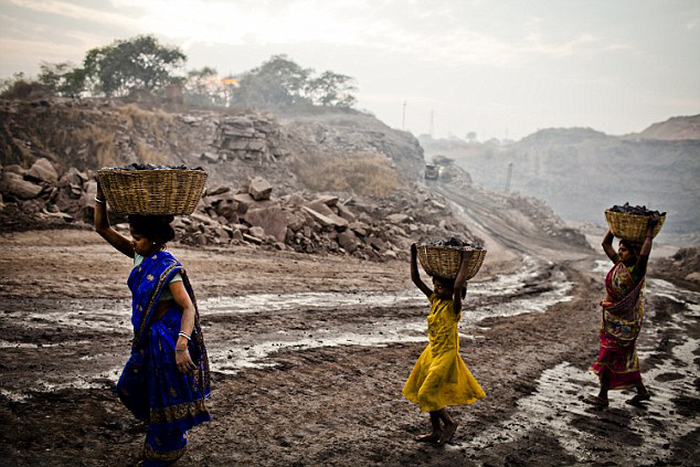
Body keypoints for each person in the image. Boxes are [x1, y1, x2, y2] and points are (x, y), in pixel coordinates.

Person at [94, 182, 211, 466]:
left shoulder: (167, 267)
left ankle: (164, 451)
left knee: (161, 395)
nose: (134, 242)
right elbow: (101, 227)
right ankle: (170, 424)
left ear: (155, 238)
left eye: (139, 238)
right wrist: (101, 193)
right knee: (128, 388)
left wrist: (182, 345)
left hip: (168, 341)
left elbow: (188, 308)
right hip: (148, 340)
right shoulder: (138, 254)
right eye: (133, 237)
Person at [403, 244, 486, 445]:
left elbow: (458, 286)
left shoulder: (454, 308)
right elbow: (415, 279)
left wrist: (465, 260)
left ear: (451, 290)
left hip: (447, 355)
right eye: (435, 286)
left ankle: (449, 424)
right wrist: (414, 255)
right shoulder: (435, 301)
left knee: (426, 393)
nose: (436, 289)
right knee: (432, 392)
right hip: (431, 353)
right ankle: (435, 431)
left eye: (440, 287)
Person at [584, 214, 660, 408]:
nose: (620, 251)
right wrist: (614, 227)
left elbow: (645, 254)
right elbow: (605, 245)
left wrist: (649, 231)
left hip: (624, 324)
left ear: (634, 253)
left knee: (608, 355)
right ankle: (641, 392)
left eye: (624, 250)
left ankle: (603, 396)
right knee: (625, 356)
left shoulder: (636, 269)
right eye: (620, 248)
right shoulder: (619, 264)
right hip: (612, 320)